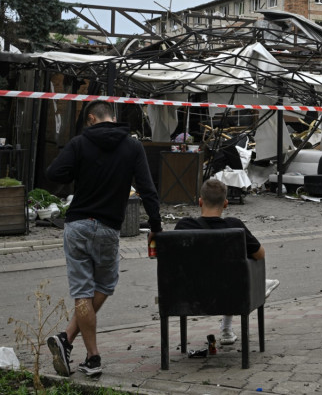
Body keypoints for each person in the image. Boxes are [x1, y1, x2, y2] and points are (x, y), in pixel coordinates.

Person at [46, 100, 162, 377]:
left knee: (82, 292)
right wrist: (156, 226)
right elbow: (147, 188)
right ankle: (88, 354)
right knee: (105, 285)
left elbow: (53, 173)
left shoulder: (79, 143)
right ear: (113, 117)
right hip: (108, 228)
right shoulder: (132, 146)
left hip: (76, 225)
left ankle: (71, 342)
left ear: (90, 118)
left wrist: (79, 171)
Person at [175, 179, 280, 345]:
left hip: (189, 296)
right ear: (225, 204)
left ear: (200, 201)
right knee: (235, 269)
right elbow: (260, 254)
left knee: (219, 272)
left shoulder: (183, 226)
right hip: (231, 294)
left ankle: (227, 327)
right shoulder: (234, 227)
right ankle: (258, 286)